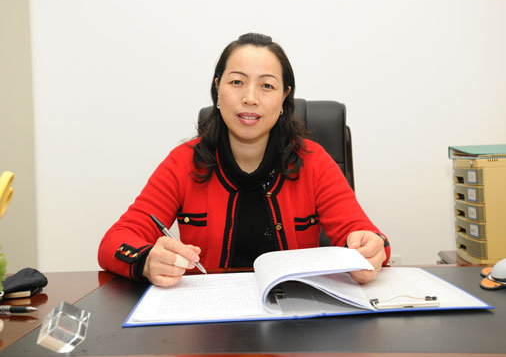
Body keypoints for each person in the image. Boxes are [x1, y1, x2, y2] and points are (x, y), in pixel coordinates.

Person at [98, 33, 390, 287]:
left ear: (284, 96)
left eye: (267, 86)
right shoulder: (184, 162)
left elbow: (371, 238)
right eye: (237, 82)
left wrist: (371, 249)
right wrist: (147, 261)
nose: (250, 98)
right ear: (217, 89)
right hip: (208, 318)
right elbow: (114, 241)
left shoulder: (313, 161)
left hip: (295, 317)